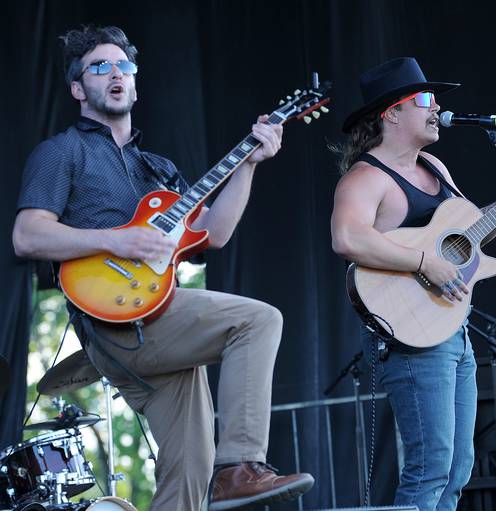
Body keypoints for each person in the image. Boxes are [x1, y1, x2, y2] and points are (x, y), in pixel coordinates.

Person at [12, 25, 314, 511]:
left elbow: (214, 234)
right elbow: (27, 236)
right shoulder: (62, 151)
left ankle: (217, 475)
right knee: (258, 319)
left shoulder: (158, 170)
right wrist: (116, 239)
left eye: (125, 66)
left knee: (189, 477)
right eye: (100, 67)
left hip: (155, 322)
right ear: (77, 88)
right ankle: (239, 465)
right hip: (113, 324)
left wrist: (251, 164)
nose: (116, 74)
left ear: (135, 82)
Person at [330, 57, 496, 511]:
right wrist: (424, 260)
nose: (436, 109)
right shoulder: (365, 178)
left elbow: (469, 233)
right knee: (431, 465)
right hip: (413, 337)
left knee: (458, 467)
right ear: (390, 113)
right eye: (425, 99)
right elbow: (348, 238)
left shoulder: (435, 167)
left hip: (453, 330)